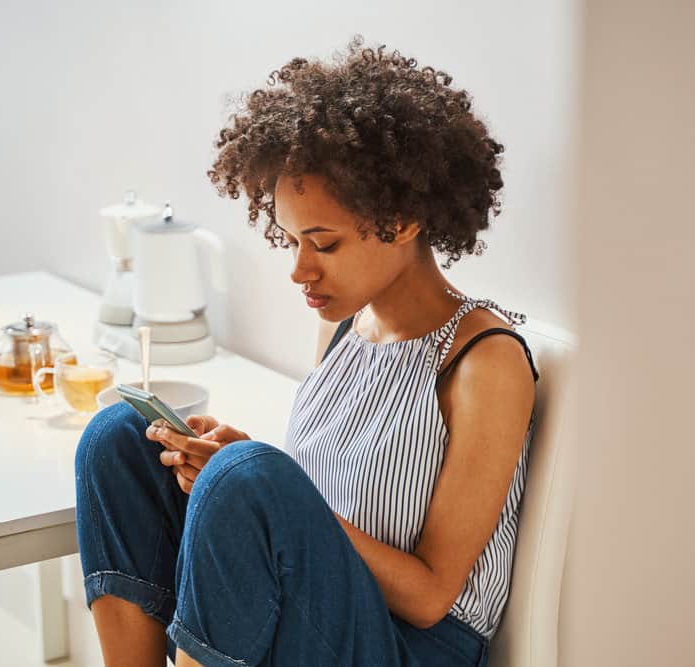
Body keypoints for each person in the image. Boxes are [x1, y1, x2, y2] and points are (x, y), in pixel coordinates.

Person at [75, 36, 538, 667]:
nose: (299, 270)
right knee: (123, 436)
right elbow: (316, 501)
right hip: (318, 610)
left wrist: (260, 485)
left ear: (401, 221)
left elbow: (432, 598)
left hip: (408, 645)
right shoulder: (345, 327)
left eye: (323, 243)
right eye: (291, 239)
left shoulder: (484, 360)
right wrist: (235, 467)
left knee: (247, 476)